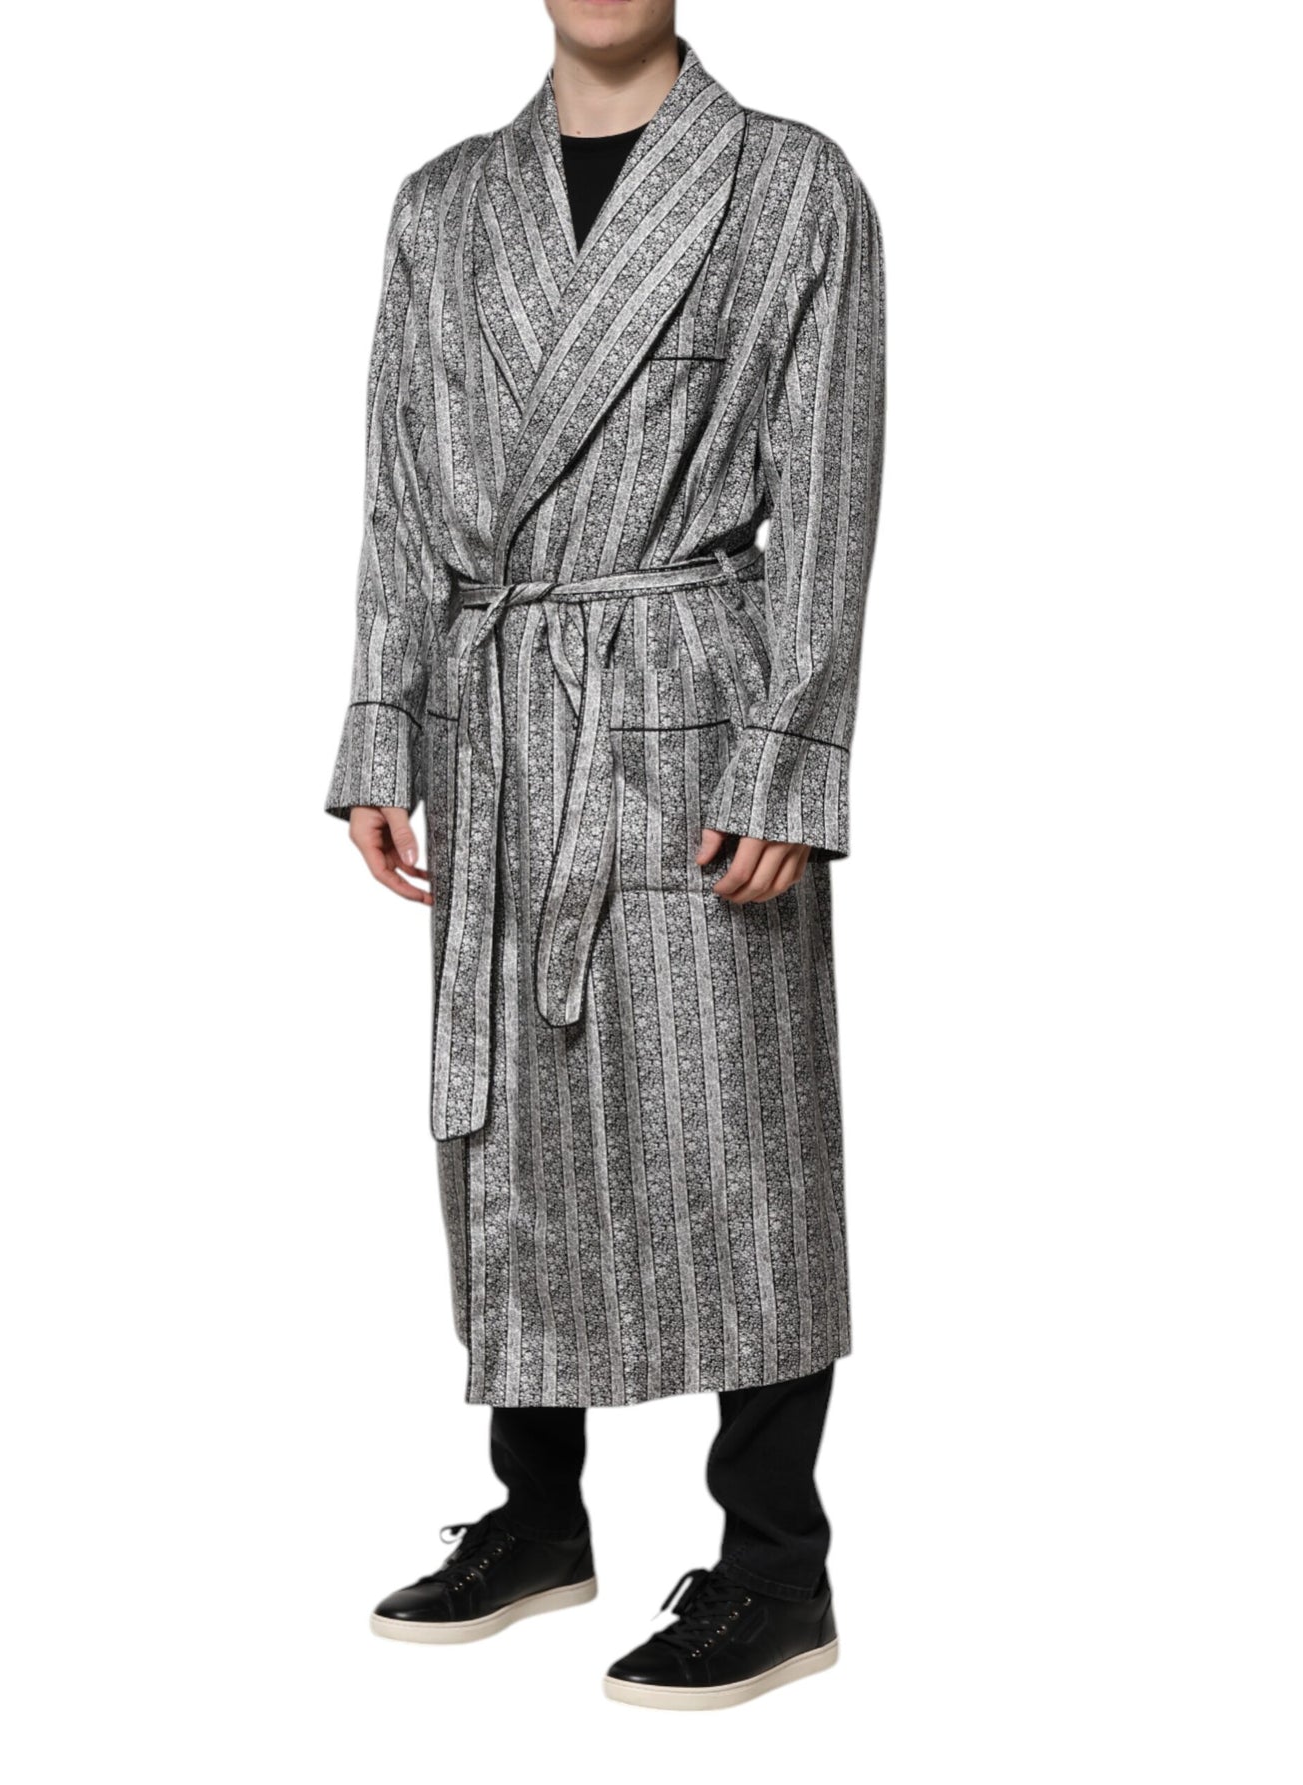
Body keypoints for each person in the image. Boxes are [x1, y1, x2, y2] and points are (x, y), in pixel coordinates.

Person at [326, 0, 885, 1710]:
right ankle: (539, 1513)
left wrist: (790, 758)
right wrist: (387, 724)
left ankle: (777, 1566)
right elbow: (398, 492)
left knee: (741, 1133)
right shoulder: (443, 205)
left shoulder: (790, 184)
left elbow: (830, 489)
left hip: (692, 713)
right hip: (500, 716)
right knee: (508, 1118)